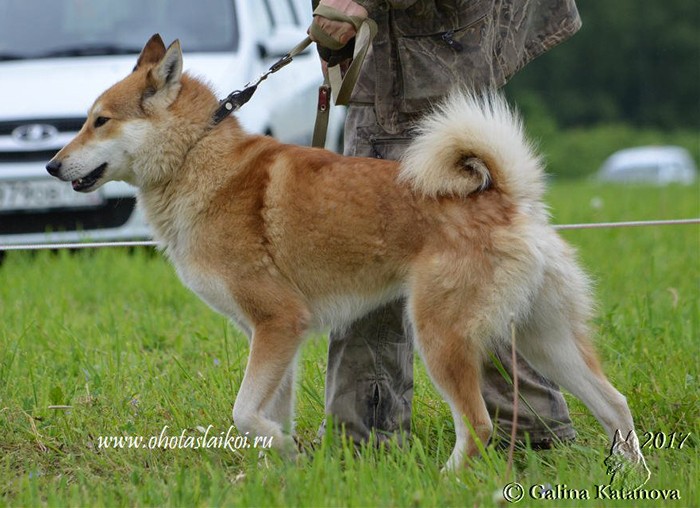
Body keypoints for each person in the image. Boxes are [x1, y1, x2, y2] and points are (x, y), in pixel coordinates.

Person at [309, 0, 582, 448]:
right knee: (471, 269)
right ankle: (528, 427)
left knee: (447, 272)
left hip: (422, 66)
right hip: (415, 57)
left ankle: (366, 436)